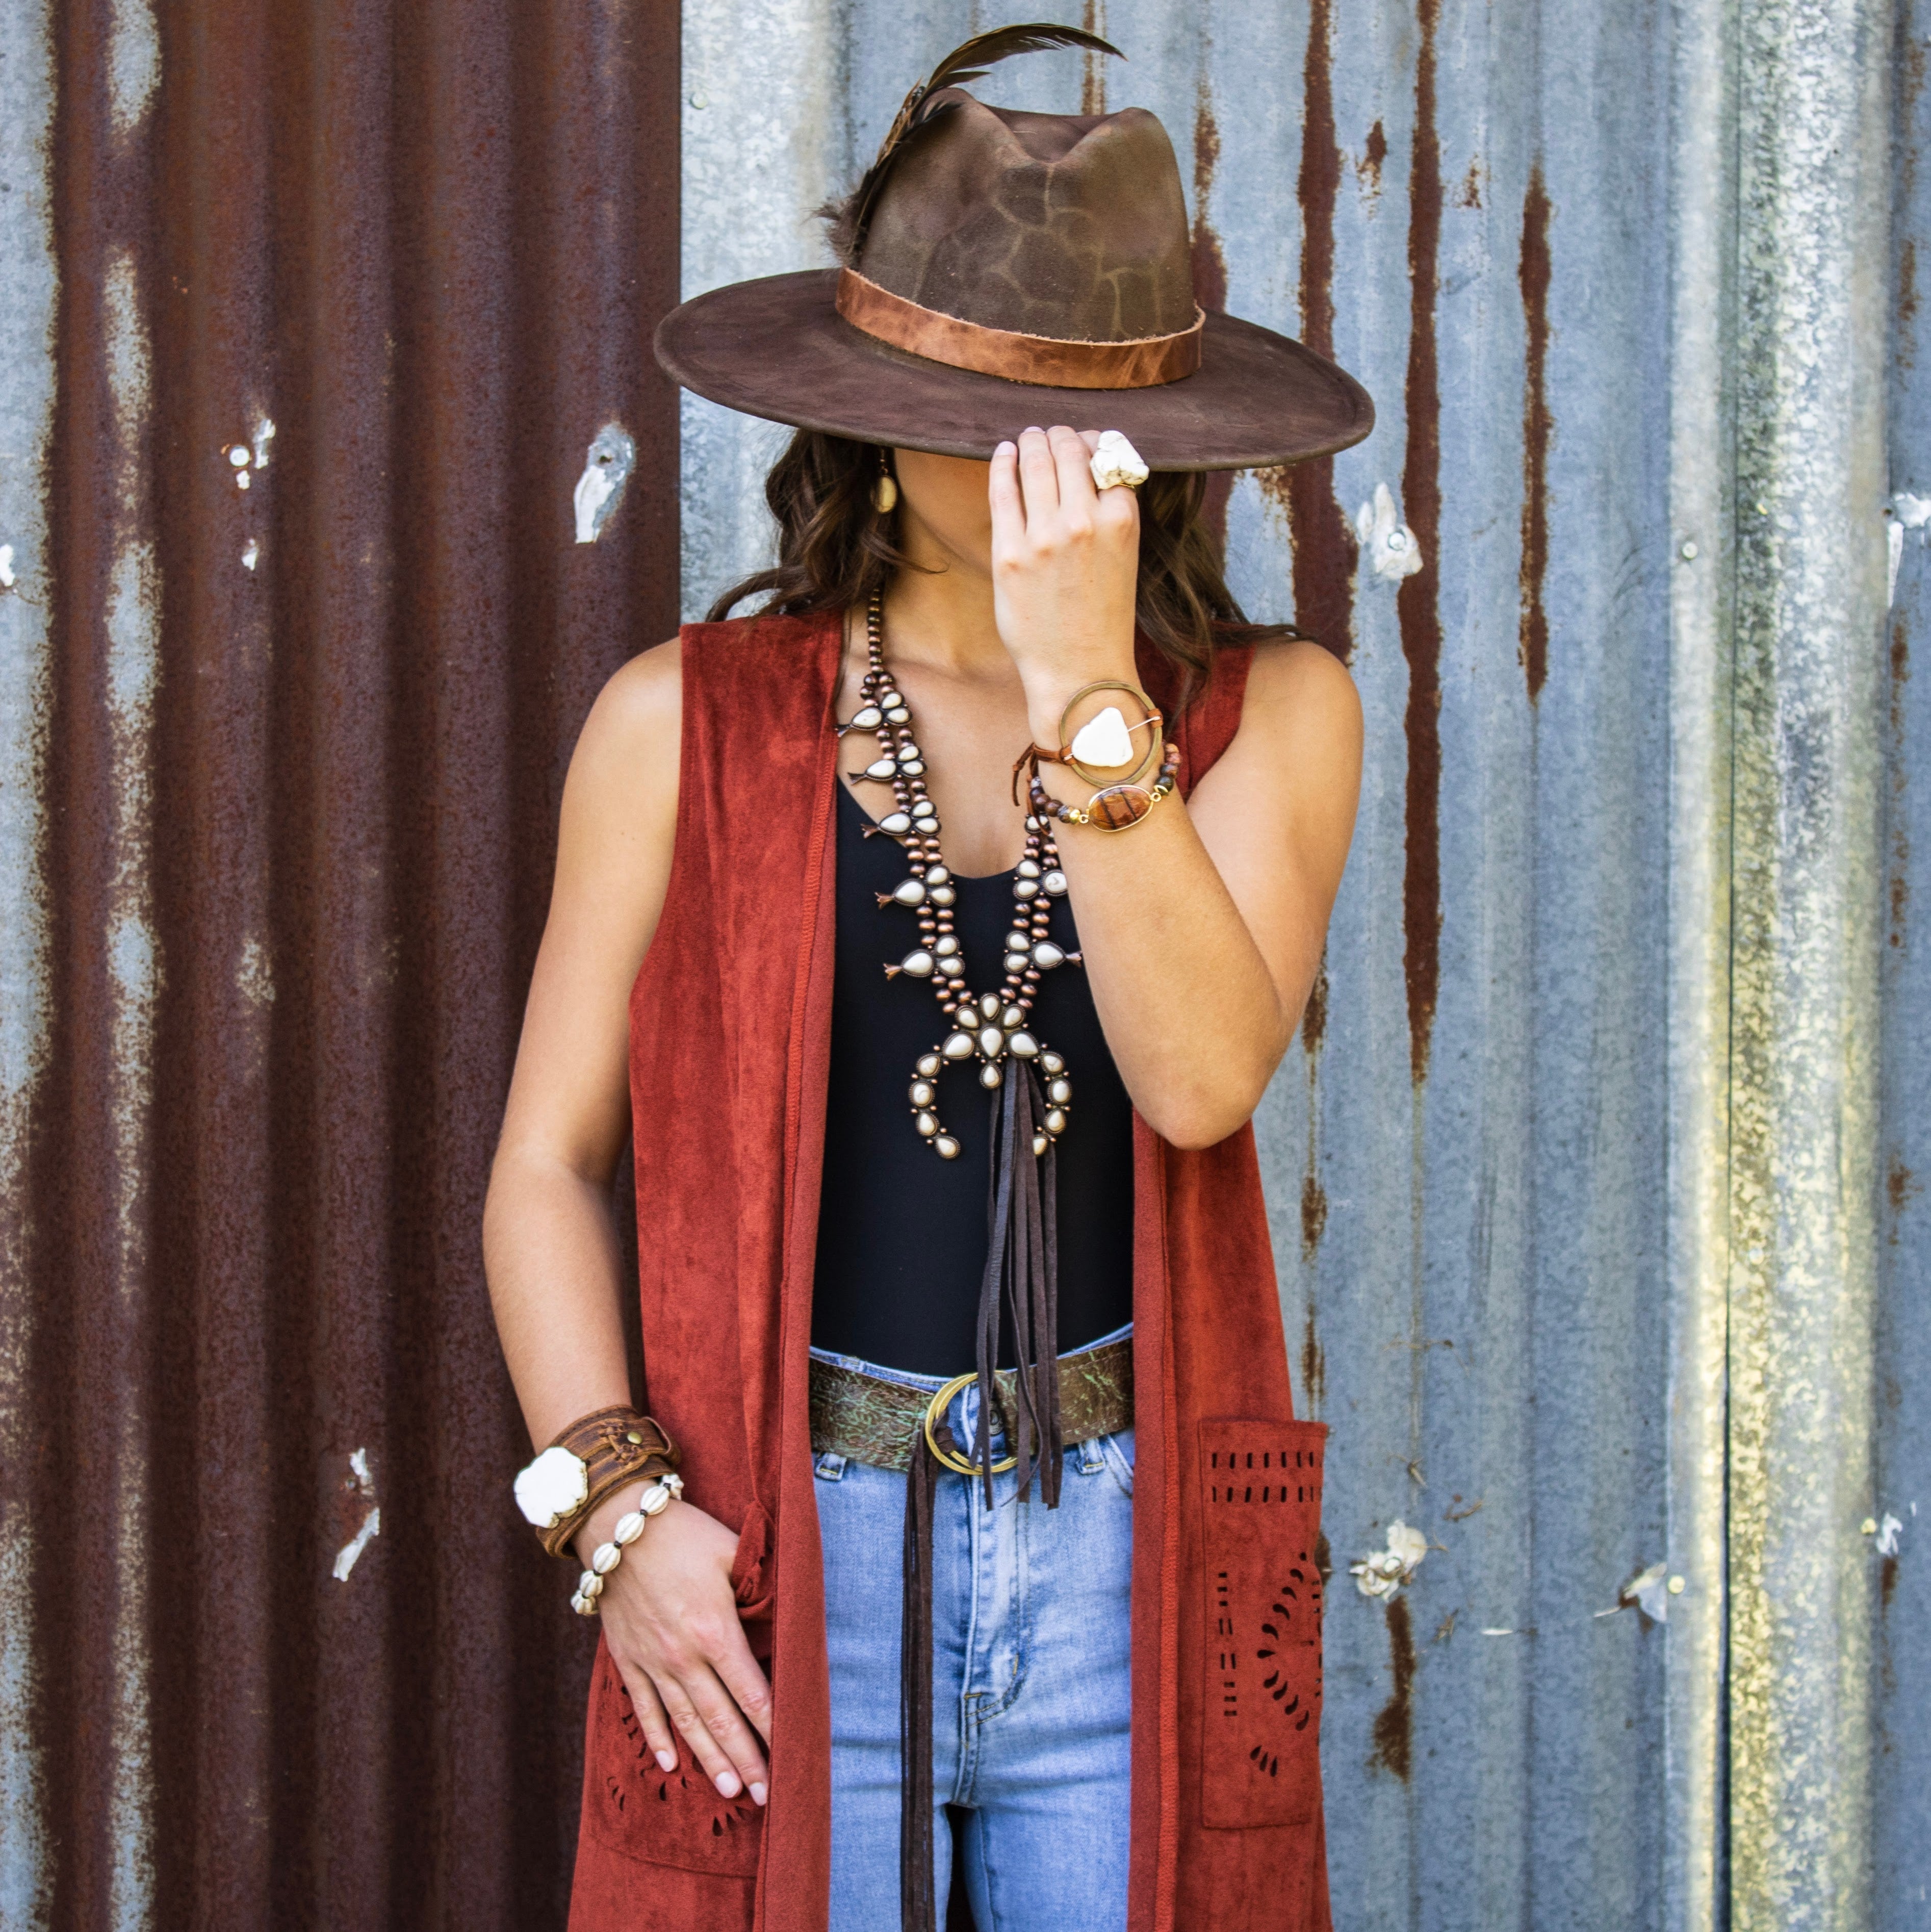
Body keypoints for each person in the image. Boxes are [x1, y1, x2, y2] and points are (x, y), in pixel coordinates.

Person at [484, 27, 1371, 1932]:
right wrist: (614, 1512)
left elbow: (1202, 1078)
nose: (1024, 466)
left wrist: (1083, 686)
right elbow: (542, 1167)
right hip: (789, 1554)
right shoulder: (681, 726)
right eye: (973, 410)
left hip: (1125, 1561)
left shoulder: (1267, 715)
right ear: (864, 408)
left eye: (1068, 418)